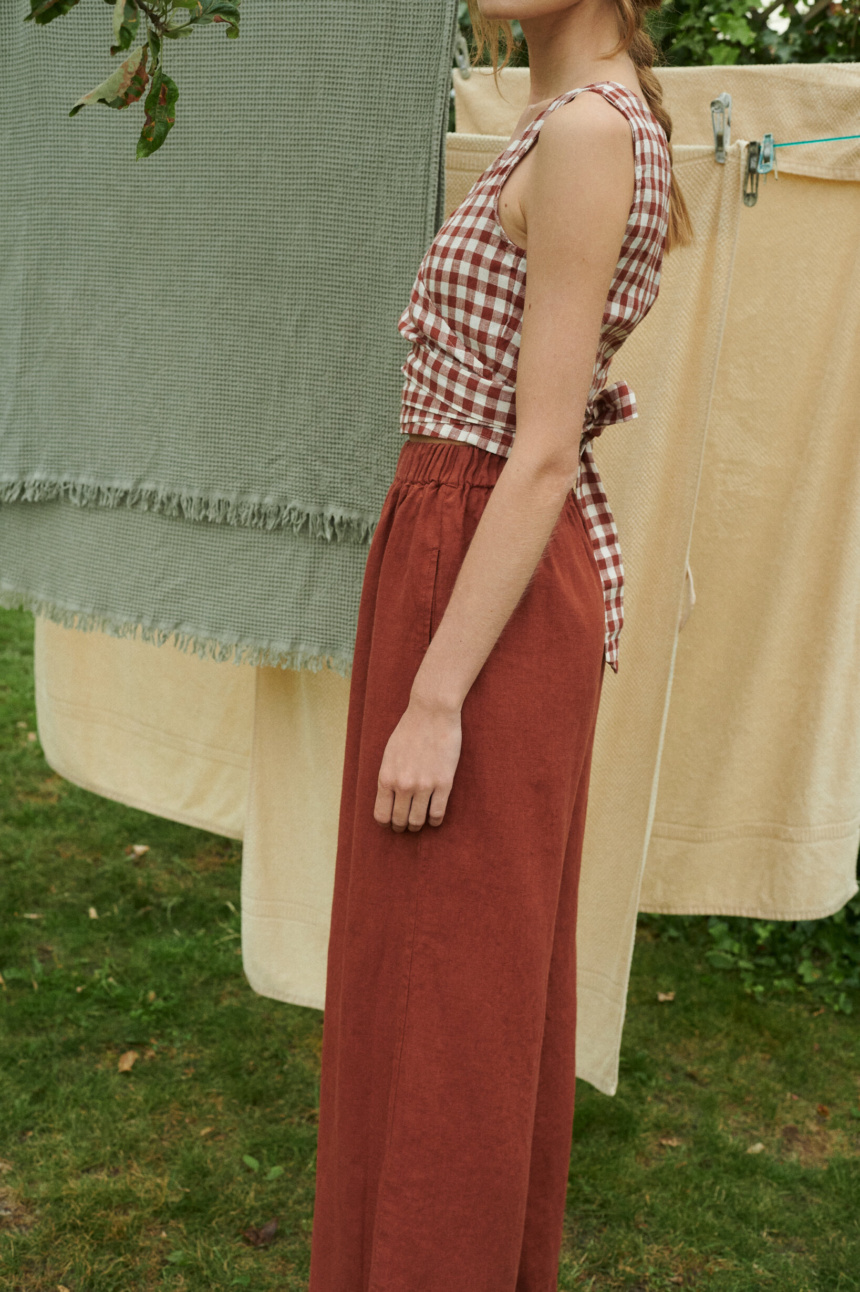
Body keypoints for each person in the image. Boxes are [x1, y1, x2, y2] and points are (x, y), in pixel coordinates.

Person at [308, 1, 693, 1288]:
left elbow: (537, 454)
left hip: (479, 568)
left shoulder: (587, 133)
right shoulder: (565, 122)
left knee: (450, 1003)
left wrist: (434, 693)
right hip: (450, 546)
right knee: (420, 981)